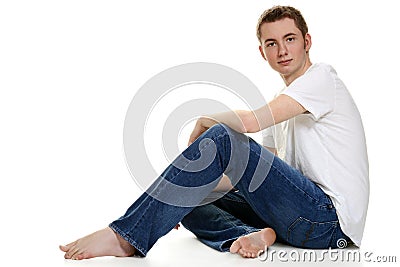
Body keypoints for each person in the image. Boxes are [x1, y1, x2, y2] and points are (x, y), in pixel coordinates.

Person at [59, 5, 369, 260]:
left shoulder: (322, 78)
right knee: (189, 197)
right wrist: (187, 185)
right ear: (262, 52)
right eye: (272, 43)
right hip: (296, 215)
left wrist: (203, 120)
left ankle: (125, 237)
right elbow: (265, 172)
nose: (282, 50)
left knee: (224, 137)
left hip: (327, 224)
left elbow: (248, 124)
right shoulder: (283, 100)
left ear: (307, 42)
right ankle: (245, 236)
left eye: (290, 39)